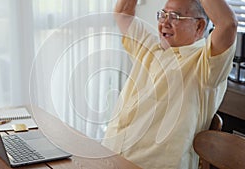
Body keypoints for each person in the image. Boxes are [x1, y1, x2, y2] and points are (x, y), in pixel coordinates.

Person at [101, 0, 237, 168]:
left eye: (175, 16)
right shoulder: (150, 46)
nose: (165, 22)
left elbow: (227, 24)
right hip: (109, 155)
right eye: (163, 15)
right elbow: (123, 11)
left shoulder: (205, 65)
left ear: (199, 26)